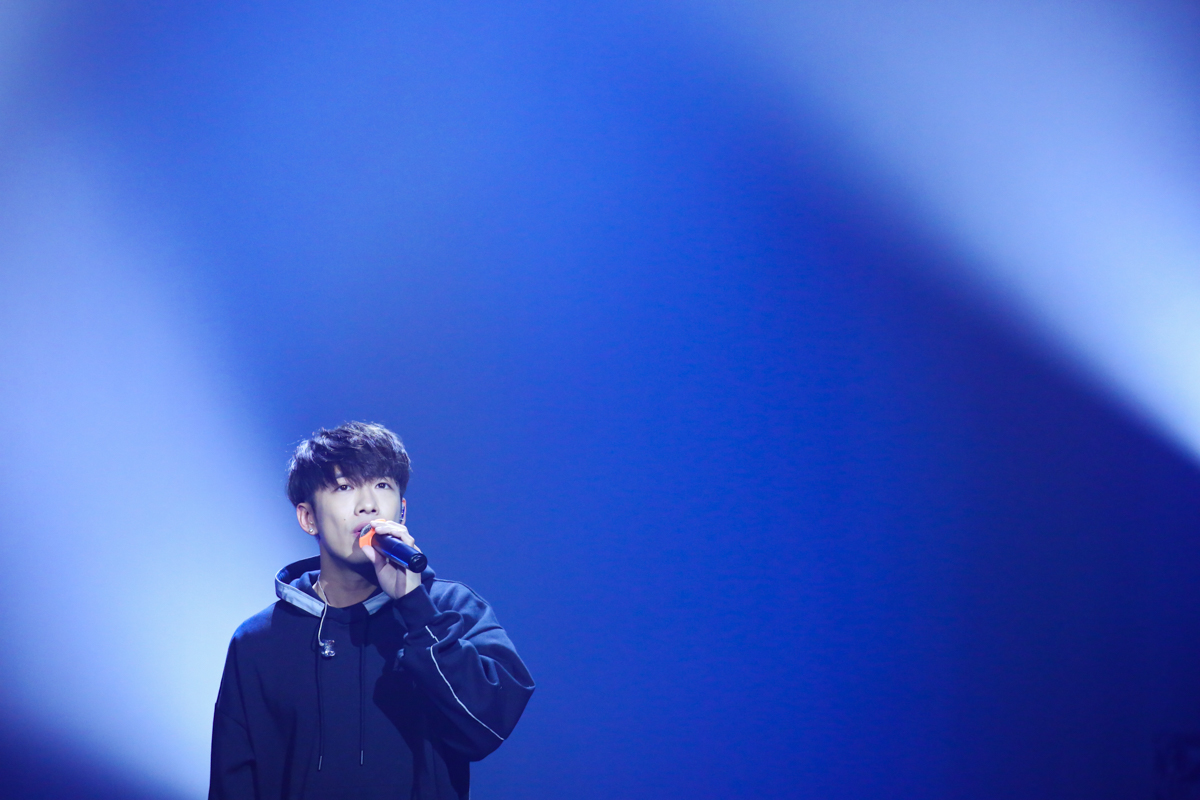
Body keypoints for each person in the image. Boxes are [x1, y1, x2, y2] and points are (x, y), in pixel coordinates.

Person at [209, 422, 534, 799]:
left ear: (402, 511)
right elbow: (233, 781)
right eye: (344, 487)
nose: (368, 504)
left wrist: (415, 607)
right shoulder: (258, 641)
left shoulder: (452, 608)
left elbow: (486, 727)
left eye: (382, 485)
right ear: (308, 518)